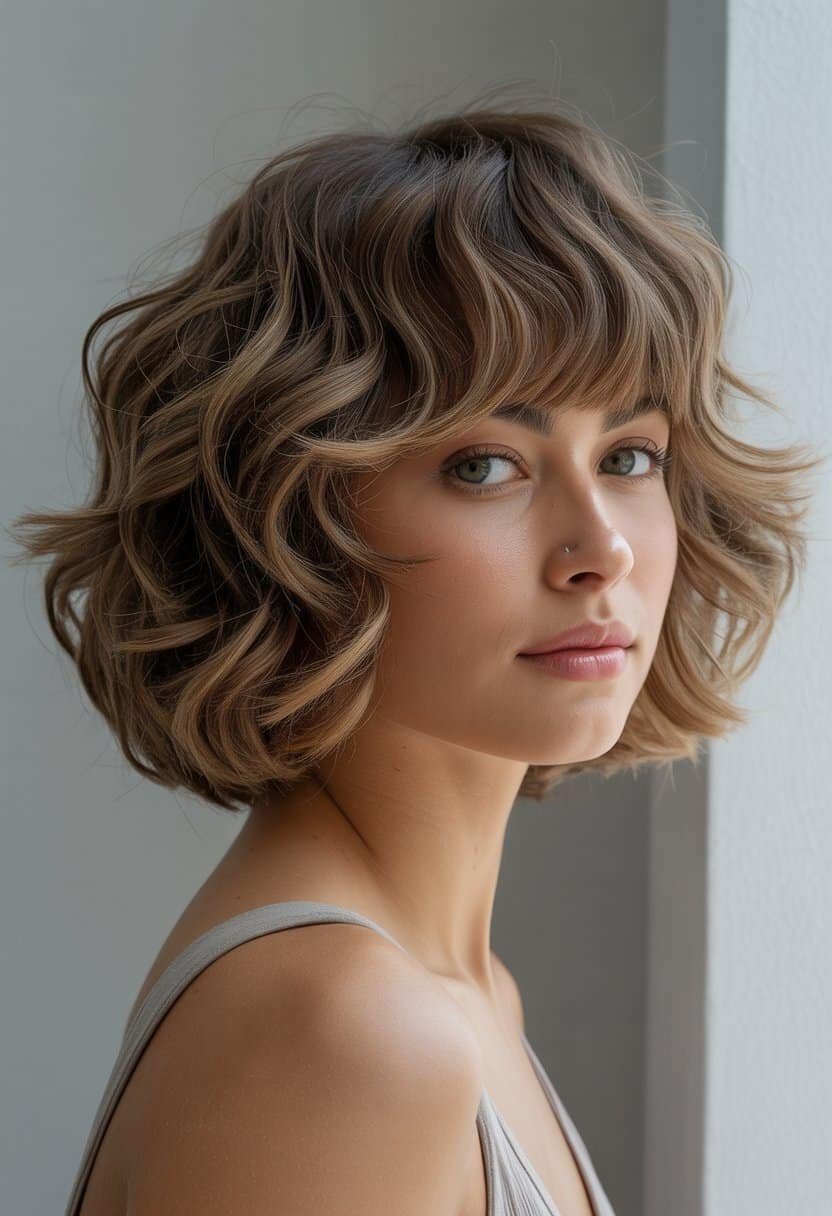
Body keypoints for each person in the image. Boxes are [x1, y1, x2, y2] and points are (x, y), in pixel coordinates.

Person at [8, 85, 822, 1216]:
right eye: (484, 465)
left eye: (630, 455)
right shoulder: (347, 1036)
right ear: (292, 516)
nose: (600, 550)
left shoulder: (454, 994)